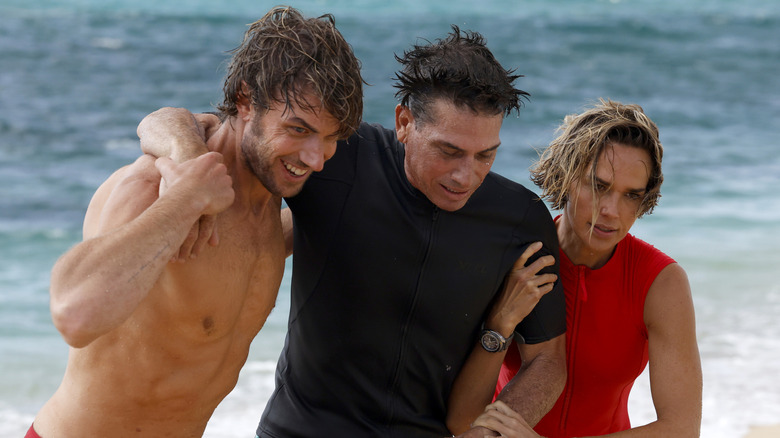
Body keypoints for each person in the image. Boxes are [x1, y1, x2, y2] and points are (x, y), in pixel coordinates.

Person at [138, 27, 567, 438]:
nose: (465, 175)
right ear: (404, 122)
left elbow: (547, 360)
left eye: (485, 155)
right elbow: (171, 121)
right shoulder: (335, 157)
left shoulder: (519, 218)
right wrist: (189, 166)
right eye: (448, 151)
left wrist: (490, 433)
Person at [27, 7, 364, 438]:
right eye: (298, 129)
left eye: (331, 138)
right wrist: (186, 200)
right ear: (246, 100)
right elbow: (73, 314)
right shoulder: (155, 185)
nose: (316, 159)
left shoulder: (268, 209)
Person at [450, 99, 703, 437]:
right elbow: (462, 421)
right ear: (566, 176)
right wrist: (499, 324)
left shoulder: (660, 282)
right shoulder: (514, 258)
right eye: (598, 186)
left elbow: (682, 428)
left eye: (631, 195)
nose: (611, 210)